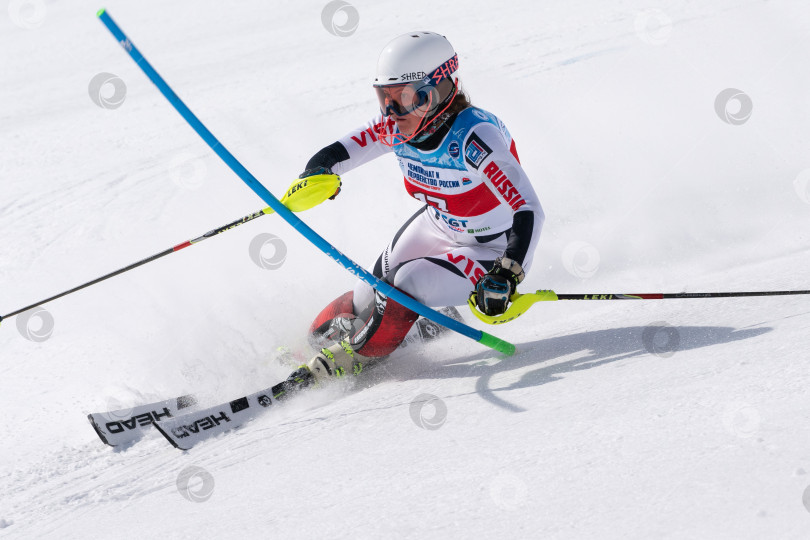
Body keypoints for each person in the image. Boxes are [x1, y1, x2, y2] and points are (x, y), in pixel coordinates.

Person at [275, 31, 544, 397]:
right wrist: (317, 174)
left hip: (490, 250)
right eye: (384, 98)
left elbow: (528, 209)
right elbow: (339, 152)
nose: (389, 112)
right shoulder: (398, 126)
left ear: (431, 94)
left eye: (400, 99)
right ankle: (324, 345)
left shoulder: (475, 138)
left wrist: (508, 273)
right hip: (437, 225)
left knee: (406, 284)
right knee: (366, 292)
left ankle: (353, 356)